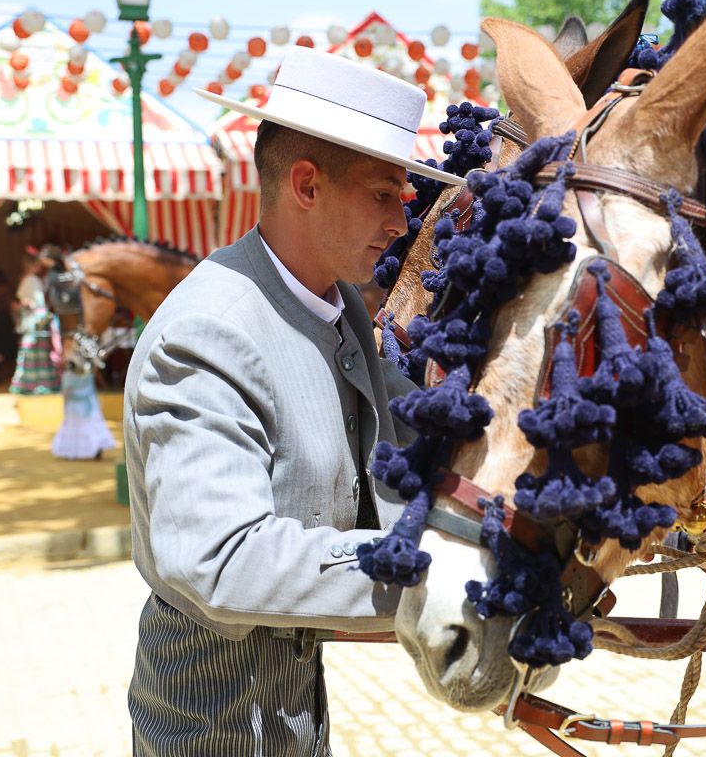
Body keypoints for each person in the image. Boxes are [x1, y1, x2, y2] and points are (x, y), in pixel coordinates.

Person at [123, 46, 464, 756]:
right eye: (382, 194)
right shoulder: (211, 332)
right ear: (305, 185)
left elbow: (419, 430)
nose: (401, 223)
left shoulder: (331, 307)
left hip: (289, 704)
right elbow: (221, 560)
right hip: (212, 721)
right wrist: (441, 573)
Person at [9, 247, 59, 395]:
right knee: (37, 351)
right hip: (36, 319)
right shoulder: (31, 279)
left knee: (33, 352)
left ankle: (30, 383)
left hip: (32, 319)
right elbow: (35, 302)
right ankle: (40, 384)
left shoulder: (27, 279)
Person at [51, 368, 116, 460]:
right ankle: (90, 449)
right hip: (87, 406)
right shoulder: (87, 373)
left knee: (78, 429)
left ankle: (74, 451)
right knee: (91, 428)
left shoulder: (71, 376)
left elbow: (65, 394)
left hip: (78, 407)